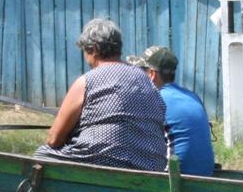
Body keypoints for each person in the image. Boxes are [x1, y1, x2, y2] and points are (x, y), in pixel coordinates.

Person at [34, 18, 167, 171]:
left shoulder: (88, 81)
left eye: (85, 50)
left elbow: (54, 139)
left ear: (94, 49)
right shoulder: (147, 81)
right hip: (150, 168)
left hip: (102, 164)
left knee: (42, 154)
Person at [127, 45, 215, 176]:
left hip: (176, 177)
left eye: (142, 70)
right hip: (206, 174)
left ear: (152, 74)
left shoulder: (153, 99)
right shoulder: (193, 96)